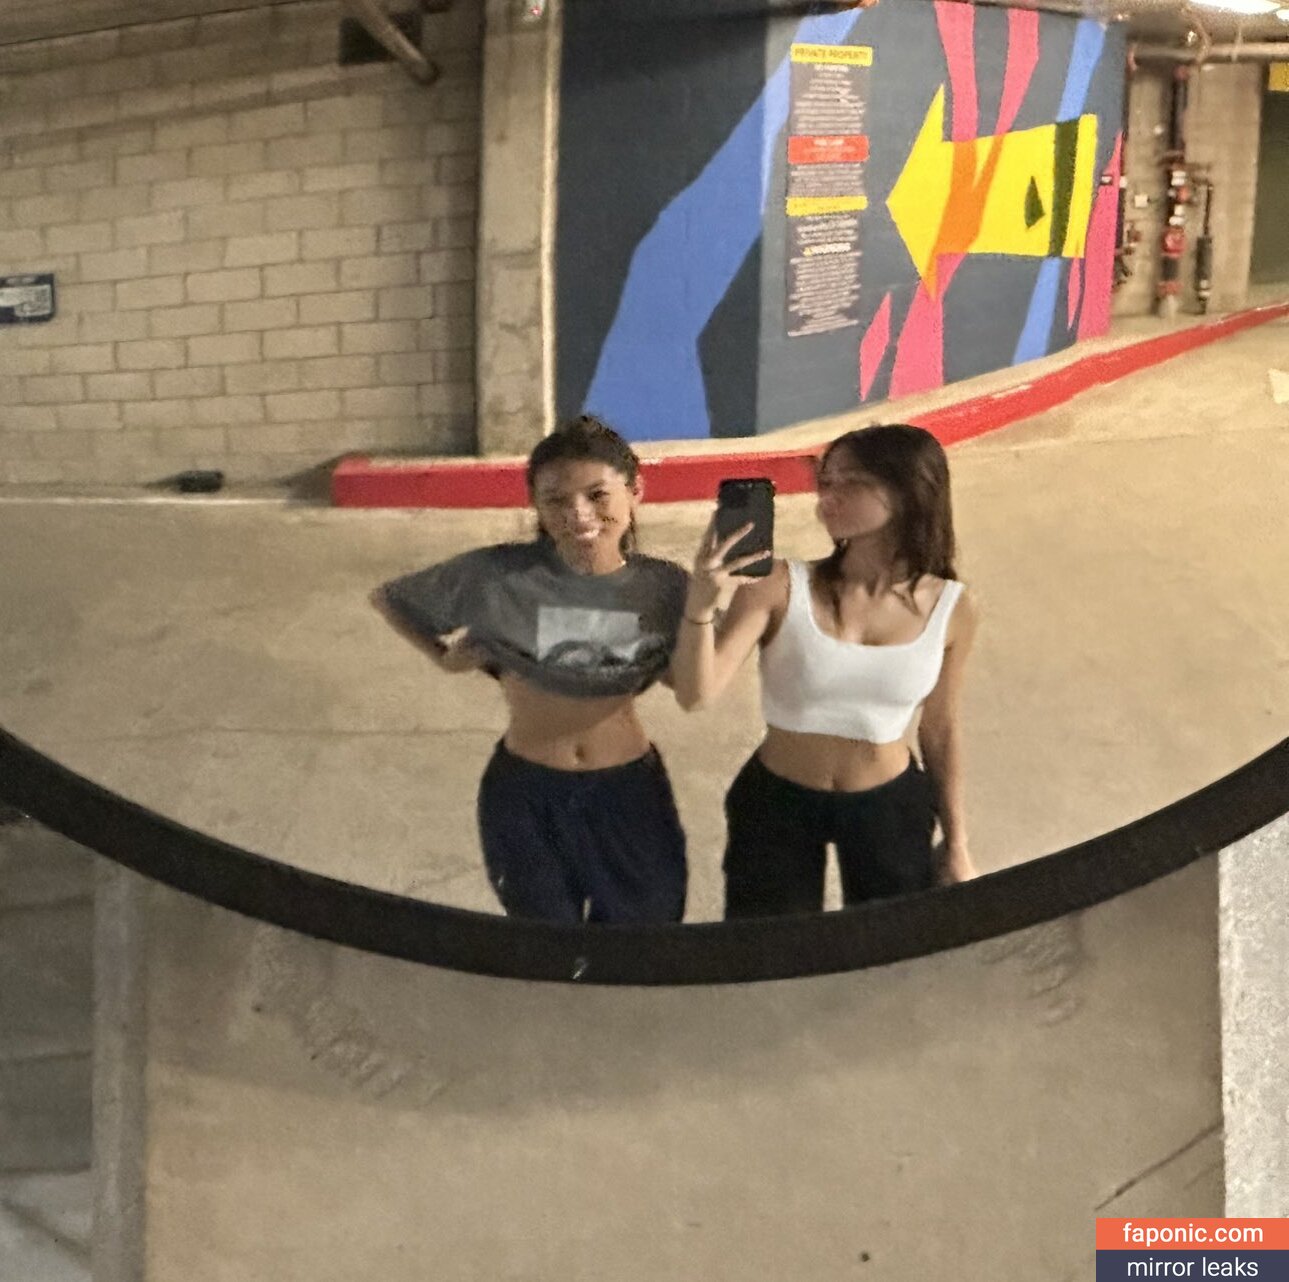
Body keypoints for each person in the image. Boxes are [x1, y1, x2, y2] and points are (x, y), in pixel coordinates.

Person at [371, 415, 690, 925]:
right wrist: (443, 658)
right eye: (556, 500)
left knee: (642, 939)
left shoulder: (665, 587)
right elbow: (391, 599)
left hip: (628, 794)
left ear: (635, 491)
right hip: (524, 795)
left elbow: (688, 681)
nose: (578, 514)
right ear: (536, 505)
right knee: (543, 945)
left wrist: (709, 607)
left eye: (597, 495)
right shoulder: (498, 576)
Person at [672, 424, 979, 918]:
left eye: (851, 483)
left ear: (908, 491)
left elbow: (940, 728)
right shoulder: (777, 585)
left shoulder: (952, 608)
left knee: (889, 947)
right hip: (778, 802)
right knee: (769, 949)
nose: (827, 499)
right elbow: (696, 693)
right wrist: (701, 607)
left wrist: (957, 843)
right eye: (826, 483)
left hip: (890, 805)